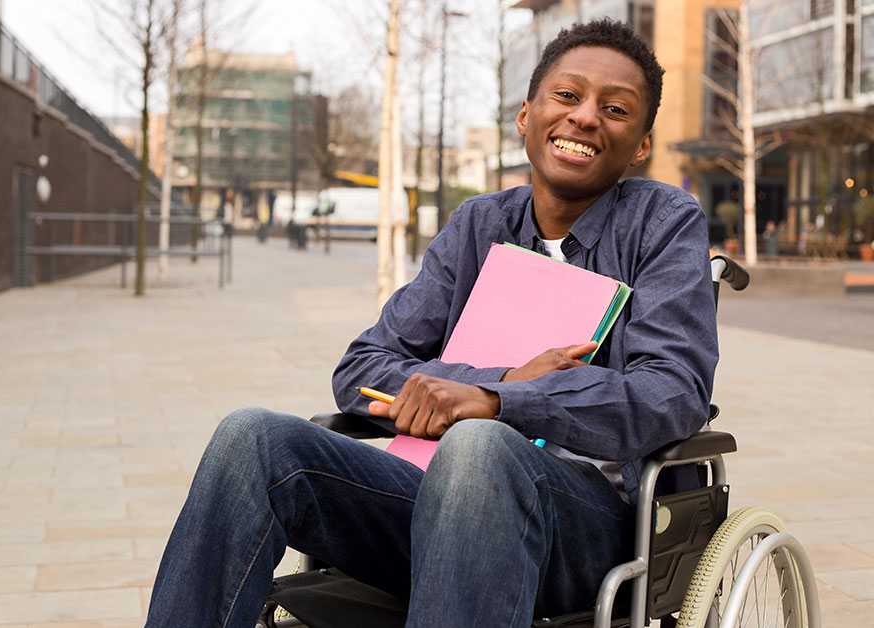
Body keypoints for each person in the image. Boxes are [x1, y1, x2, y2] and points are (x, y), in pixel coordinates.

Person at [144, 19, 718, 628]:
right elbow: (363, 366)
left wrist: (501, 404)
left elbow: (673, 392)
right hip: (429, 499)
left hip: (583, 525)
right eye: (567, 96)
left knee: (479, 446)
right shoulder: (477, 226)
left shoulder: (663, 223)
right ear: (526, 115)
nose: (584, 117)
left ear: (640, 146)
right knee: (251, 437)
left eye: (616, 108)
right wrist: (493, 383)